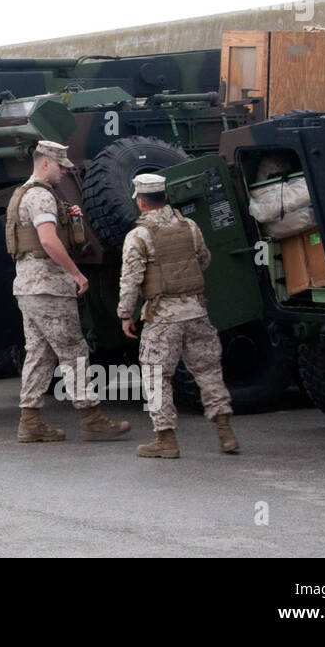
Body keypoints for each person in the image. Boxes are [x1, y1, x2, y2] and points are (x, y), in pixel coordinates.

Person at [7, 141, 130, 443]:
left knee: (39, 353)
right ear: (45, 163)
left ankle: (30, 420)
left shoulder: (22, 194)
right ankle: (91, 418)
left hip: (29, 286)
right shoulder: (40, 197)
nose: (64, 172)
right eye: (61, 166)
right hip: (48, 286)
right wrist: (76, 273)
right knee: (73, 351)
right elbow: (48, 241)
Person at [119, 173, 240, 459]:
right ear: (165, 197)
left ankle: (166, 439)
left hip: (163, 318)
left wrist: (125, 313)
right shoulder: (190, 226)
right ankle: (226, 433)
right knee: (209, 371)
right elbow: (204, 259)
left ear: (141, 202)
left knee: (156, 375)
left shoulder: (139, 235)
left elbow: (131, 279)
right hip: (197, 311)